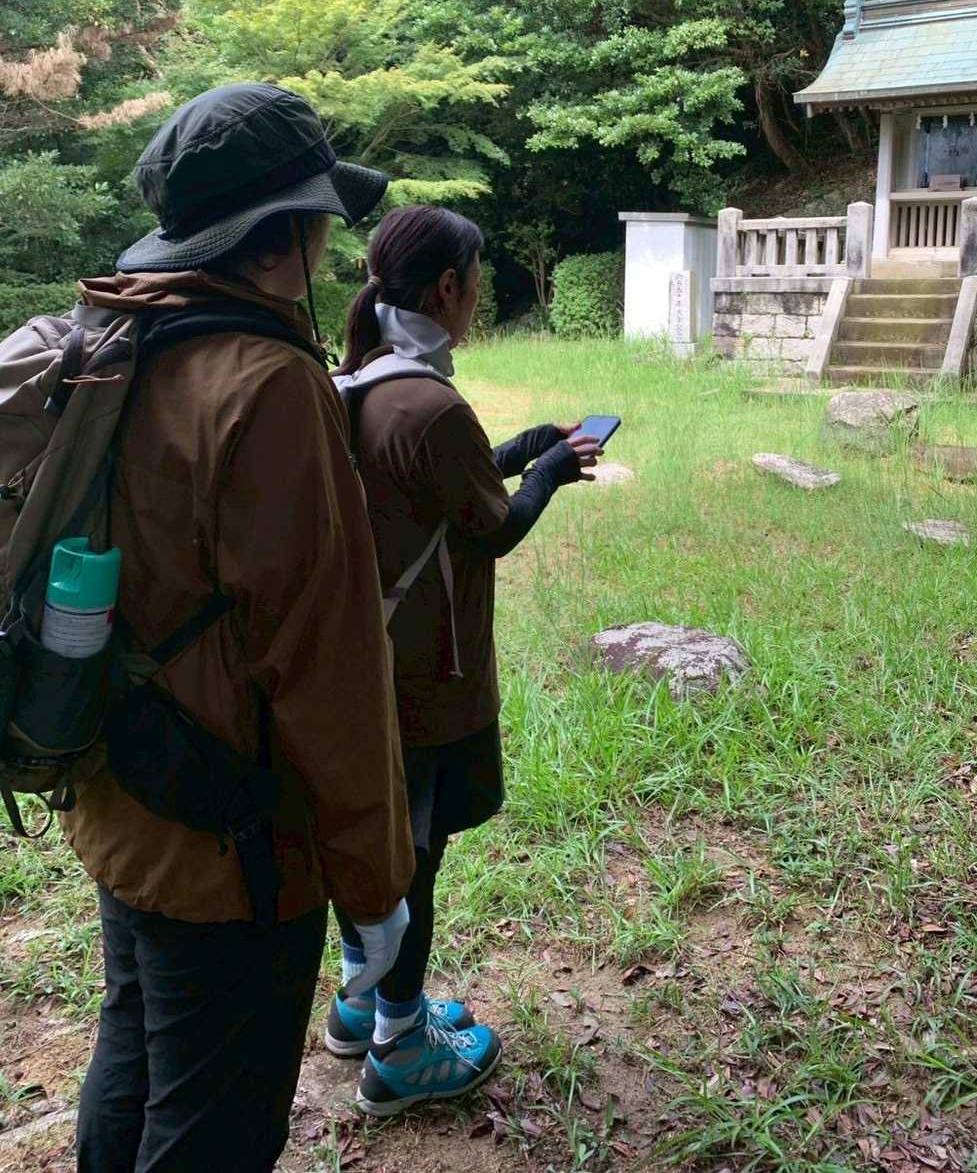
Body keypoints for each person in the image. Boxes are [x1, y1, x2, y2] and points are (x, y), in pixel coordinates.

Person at [65, 83, 415, 1173]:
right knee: (211, 1120)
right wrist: (376, 884)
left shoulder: (122, 332)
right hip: (234, 844)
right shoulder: (265, 384)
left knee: (134, 1052)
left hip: (122, 788)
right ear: (284, 236)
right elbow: (327, 664)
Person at [327, 203, 602, 1116]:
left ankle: (359, 1002)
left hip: (361, 668)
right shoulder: (431, 401)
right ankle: (401, 1045)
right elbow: (491, 529)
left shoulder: (362, 378)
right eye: (477, 283)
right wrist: (548, 475)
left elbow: (428, 488)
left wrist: (523, 447)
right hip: (424, 678)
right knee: (413, 859)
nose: (477, 298)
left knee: (373, 843)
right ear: (448, 287)